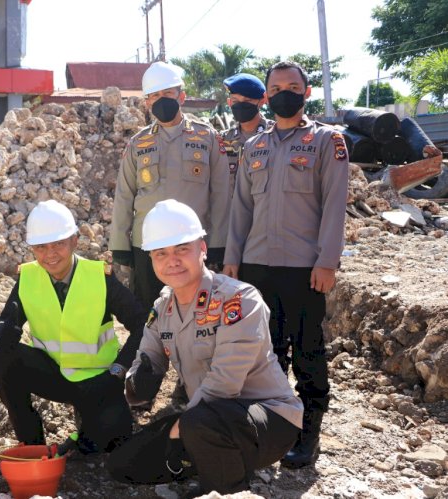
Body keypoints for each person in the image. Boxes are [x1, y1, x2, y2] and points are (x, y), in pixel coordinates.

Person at [106, 200, 302, 494]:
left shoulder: (238, 300)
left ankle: (229, 489)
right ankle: (206, 460)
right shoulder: (161, 309)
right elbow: (145, 363)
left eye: (182, 249)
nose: (172, 260)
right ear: (152, 260)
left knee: (199, 424)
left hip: (268, 420)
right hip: (205, 418)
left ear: (203, 249)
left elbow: (224, 384)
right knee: (123, 464)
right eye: (161, 253)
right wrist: (136, 384)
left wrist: (178, 432)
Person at [223, 61, 349, 468]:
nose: (284, 93)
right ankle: (276, 429)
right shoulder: (254, 147)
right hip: (257, 266)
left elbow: (334, 206)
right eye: (276, 87)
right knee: (267, 354)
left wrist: (327, 261)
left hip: (304, 268)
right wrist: (232, 261)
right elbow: (240, 209)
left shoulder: (326, 141)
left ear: (306, 92)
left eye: (292, 86)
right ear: (267, 95)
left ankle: (308, 434)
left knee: (307, 351)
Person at [0, 200, 147, 454]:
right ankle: (31, 445)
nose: (50, 254)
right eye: (41, 247)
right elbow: (5, 323)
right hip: (53, 374)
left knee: (112, 443)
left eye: (59, 244)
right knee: (3, 358)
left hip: (100, 381)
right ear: (32, 249)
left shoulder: (99, 277)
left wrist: (119, 370)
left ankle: (88, 430)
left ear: (75, 241)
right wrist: (1, 333)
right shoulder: (28, 278)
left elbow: (142, 324)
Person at [110, 61, 228, 309]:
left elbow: (221, 194)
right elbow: (124, 196)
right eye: (154, 96)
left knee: (196, 309)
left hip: (192, 244)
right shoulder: (138, 143)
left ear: (181, 96)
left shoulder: (207, 137)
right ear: (146, 103)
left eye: (167, 94)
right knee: (149, 312)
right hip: (148, 246)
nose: (160, 101)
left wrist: (218, 242)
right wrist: (121, 245)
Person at [209, 73, 275, 269]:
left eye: (247, 100)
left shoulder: (276, 136)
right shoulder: (221, 140)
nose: (239, 105)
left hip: (264, 228)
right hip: (228, 230)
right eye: (235, 100)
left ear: (262, 101)